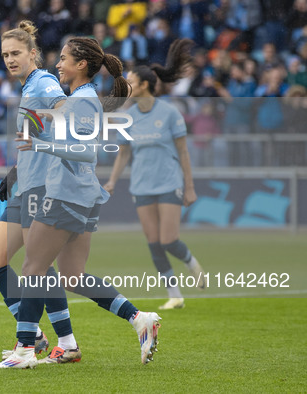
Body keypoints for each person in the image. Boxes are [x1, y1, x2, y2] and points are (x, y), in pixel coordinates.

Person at [0, 37, 161, 369]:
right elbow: (54, 132)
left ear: (81, 65)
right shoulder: (78, 100)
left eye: (64, 59)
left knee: (32, 269)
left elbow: (85, 152)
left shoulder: (83, 101)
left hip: (67, 194)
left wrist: (40, 147)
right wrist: (30, 146)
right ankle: (140, 319)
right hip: (79, 195)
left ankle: (25, 350)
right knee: (71, 276)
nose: (57, 65)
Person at [0, 20, 81, 365]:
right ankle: (54, 339)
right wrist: (15, 170)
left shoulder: (43, 81)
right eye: (5, 55)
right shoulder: (28, 86)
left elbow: (65, 112)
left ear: (32, 53)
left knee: (35, 266)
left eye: (16, 53)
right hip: (25, 185)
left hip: (40, 189)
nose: (10, 59)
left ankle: (29, 344)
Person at [104, 39, 206, 311]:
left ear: (145, 85)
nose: (127, 87)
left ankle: (191, 262)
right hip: (141, 186)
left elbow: (184, 153)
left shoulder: (170, 113)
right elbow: (123, 153)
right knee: (153, 244)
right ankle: (175, 295)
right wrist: (112, 182)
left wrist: (190, 187)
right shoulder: (129, 116)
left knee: (168, 239)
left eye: (131, 82)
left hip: (169, 182)